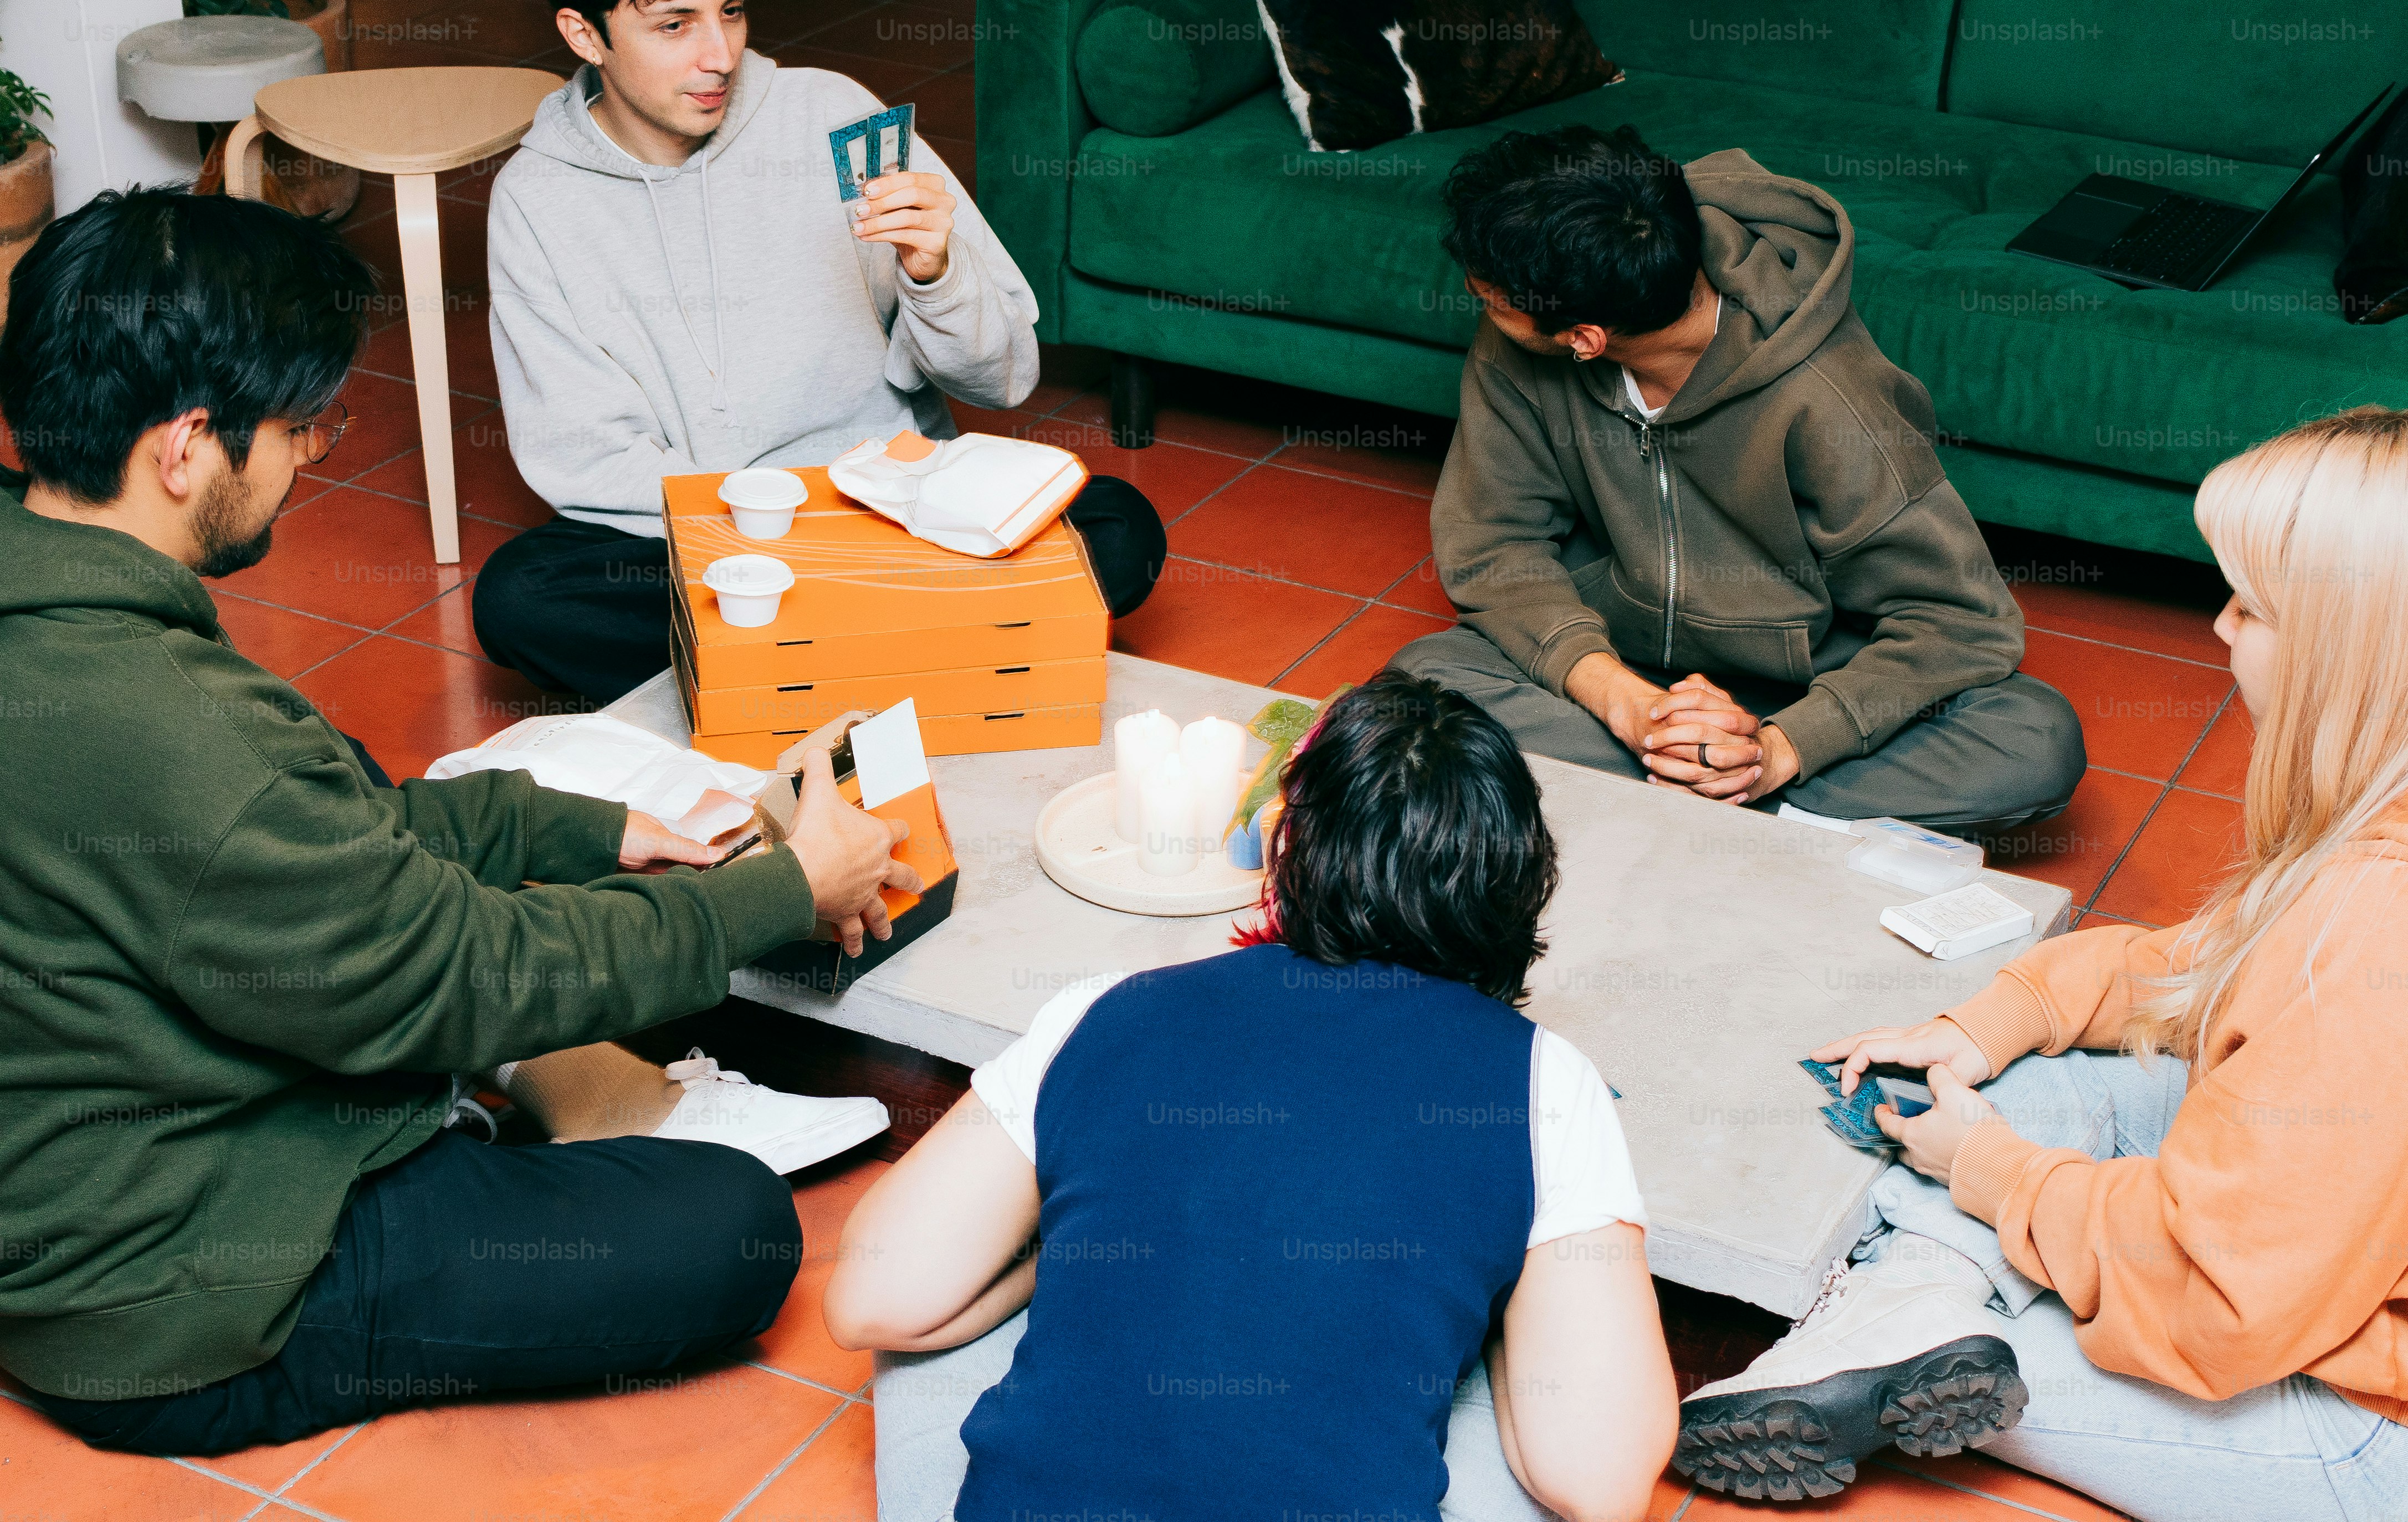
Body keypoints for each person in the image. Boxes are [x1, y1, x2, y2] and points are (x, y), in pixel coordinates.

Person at [0, 188, 920, 1456]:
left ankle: (518, 1082)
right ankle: (498, 1113)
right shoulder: (176, 729)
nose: (312, 454)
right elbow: (449, 970)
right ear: (187, 447)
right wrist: (781, 890)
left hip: (74, 1184)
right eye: (296, 424)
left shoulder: (47, 598)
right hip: (182, 1296)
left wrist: (588, 835)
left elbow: (322, 826)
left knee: (529, 925)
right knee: (731, 1226)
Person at [1677, 407, 2408, 1520]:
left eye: (2250, 604)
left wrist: (1998, 1177)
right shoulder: (2369, 851)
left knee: (2005, 1305)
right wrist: (1986, 1022)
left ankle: (1898, 1324)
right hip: (2318, 1253)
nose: (2218, 627)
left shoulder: (2367, 934)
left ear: (2343, 646)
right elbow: (2204, 968)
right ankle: (1901, 1319)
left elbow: (2221, 1304)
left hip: (2360, 1431)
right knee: (2026, 1083)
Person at [824, 670, 1678, 1522]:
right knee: (1499, 1416)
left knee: (936, 1349)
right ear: (1518, 883)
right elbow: (1598, 1482)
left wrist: (1061, 1248)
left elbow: (868, 1299)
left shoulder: (1105, 1006)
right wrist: (1489, 1282)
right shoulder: (1544, 1080)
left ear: (1288, 848)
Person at [470, 0, 1165, 704]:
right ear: (585, 35)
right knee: (520, 599)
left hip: (889, 511)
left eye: (730, 12)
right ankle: (904, 656)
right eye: (674, 25)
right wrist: (762, 533)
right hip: (706, 535)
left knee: (1119, 528)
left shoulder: (834, 113)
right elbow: (584, 454)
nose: (717, 55)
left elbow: (1003, 380)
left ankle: (782, 671)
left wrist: (935, 275)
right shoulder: (537, 200)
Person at [1392, 124, 2084, 831]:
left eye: (1490, 300)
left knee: (2033, 742)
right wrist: (1623, 702)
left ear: (1583, 339)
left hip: (1803, 683)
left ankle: (1711, 787)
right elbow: (1494, 544)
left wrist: (1780, 751)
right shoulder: (1527, 340)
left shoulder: (1830, 394)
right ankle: (1718, 793)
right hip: (1614, 658)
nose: (1485, 311)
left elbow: (1959, 623)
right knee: (1417, 685)